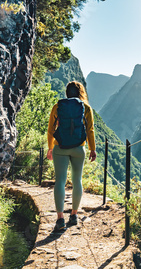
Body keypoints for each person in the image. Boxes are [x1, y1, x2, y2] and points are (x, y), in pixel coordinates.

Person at [47, 81, 97, 231]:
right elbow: (90, 130)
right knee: (77, 181)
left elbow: (50, 130)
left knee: (60, 182)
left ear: (67, 92)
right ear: (80, 92)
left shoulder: (57, 107)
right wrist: (92, 149)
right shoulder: (86, 108)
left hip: (60, 147)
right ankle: (74, 215)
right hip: (78, 149)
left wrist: (50, 148)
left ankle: (60, 218)